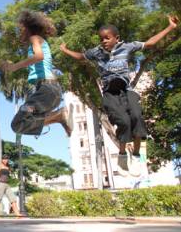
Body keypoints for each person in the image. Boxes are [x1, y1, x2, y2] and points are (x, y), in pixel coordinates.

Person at [60, 15, 179, 176]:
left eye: (107, 38)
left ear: (117, 38)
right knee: (123, 121)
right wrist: (65, 50)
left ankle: (136, 155)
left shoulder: (127, 47)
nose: (104, 41)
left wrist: (170, 27)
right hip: (110, 92)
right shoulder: (97, 52)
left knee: (136, 117)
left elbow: (150, 43)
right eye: (101, 39)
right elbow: (81, 56)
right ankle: (122, 155)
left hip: (127, 90)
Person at [0, 10, 72, 137]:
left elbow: (39, 56)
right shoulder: (37, 42)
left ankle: (59, 115)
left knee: (18, 123)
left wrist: (14, 67)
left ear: (28, 29)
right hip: (49, 92)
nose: (19, 32)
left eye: (21, 29)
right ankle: (57, 117)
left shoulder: (35, 38)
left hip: (47, 89)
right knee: (19, 125)